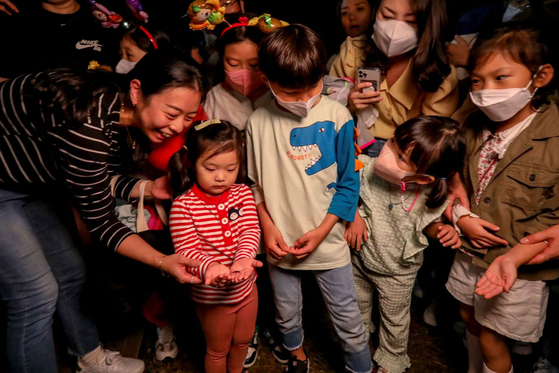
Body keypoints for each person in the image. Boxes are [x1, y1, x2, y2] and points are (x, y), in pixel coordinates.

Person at [0, 49, 205, 372]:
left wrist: (147, 188)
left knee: (71, 273)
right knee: (34, 296)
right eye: (171, 112)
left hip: (34, 182)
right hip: (3, 185)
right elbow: (103, 224)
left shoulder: (118, 115)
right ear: (137, 91)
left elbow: (93, 176)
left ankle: (89, 357)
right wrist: (164, 261)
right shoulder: (85, 124)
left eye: (188, 117)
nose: (178, 126)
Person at [246, 24, 372, 373]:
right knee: (286, 311)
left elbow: (350, 184)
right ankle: (296, 357)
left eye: (312, 88)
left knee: (346, 312)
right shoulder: (257, 122)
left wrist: (324, 230)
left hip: (329, 241)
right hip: (280, 244)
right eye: (290, 91)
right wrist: (268, 228)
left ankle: (360, 366)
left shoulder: (338, 116)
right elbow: (255, 184)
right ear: (265, 77)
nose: (303, 100)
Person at [445, 27, 558, 373]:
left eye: (501, 77)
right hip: (470, 251)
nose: (486, 91)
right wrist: (460, 214)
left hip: (518, 264)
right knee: (469, 316)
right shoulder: (471, 124)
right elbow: (455, 173)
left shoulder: (554, 138)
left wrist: (514, 257)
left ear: (540, 76)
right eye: (478, 81)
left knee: (495, 336)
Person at [346, 116, 465, 373]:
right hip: (360, 260)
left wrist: (444, 230)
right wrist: (353, 214)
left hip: (398, 273)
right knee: (358, 306)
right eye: (392, 143)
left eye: (401, 158)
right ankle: (359, 344)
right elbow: (344, 187)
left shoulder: (427, 195)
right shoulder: (364, 169)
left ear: (422, 178)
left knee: (395, 321)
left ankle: (391, 358)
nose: (387, 153)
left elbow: (428, 224)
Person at [168, 119, 262, 373]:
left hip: (247, 288)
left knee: (243, 341)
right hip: (212, 298)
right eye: (210, 168)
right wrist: (211, 267)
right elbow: (187, 250)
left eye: (231, 168)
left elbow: (250, 229)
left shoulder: (242, 193)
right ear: (191, 162)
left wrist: (243, 259)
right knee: (218, 350)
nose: (221, 177)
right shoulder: (184, 206)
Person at [349, 0, 459, 158]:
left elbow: (434, 138)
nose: (395, 30)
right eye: (387, 16)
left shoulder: (441, 73)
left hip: (405, 155)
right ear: (374, 12)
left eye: (410, 21)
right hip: (354, 144)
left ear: (427, 25)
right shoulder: (353, 50)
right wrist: (348, 102)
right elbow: (324, 104)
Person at [203, 15, 271, 131]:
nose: (244, 73)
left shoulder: (278, 93)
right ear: (221, 58)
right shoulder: (215, 98)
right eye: (233, 64)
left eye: (254, 65)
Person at [329, 0, 373, 80]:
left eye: (359, 9)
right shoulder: (333, 61)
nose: (352, 17)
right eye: (345, 13)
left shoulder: (384, 52)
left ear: (373, 12)